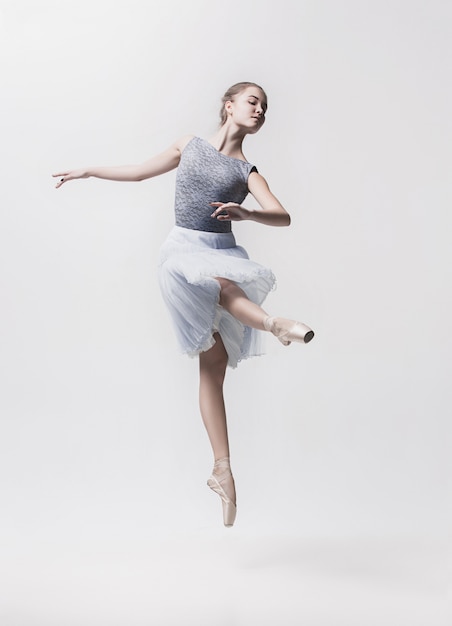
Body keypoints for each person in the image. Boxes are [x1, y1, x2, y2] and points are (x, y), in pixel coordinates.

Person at [53, 81, 314, 528]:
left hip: (223, 249)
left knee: (212, 369)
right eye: (253, 101)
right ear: (228, 105)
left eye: (265, 107)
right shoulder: (189, 145)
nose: (260, 110)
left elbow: (283, 215)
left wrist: (247, 213)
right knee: (224, 290)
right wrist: (89, 170)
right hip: (183, 251)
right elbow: (139, 171)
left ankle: (223, 471)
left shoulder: (248, 171)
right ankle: (275, 324)